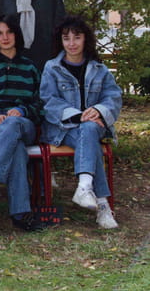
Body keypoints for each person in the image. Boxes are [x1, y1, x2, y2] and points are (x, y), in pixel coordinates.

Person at [40, 15, 121, 229]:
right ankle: (102, 204)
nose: (72, 43)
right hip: (63, 129)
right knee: (89, 136)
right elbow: (48, 101)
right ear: (61, 41)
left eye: (77, 37)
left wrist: (98, 110)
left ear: (86, 39)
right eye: (66, 38)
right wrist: (78, 115)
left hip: (94, 127)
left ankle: (84, 186)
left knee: (90, 129)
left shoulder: (99, 69)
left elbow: (113, 98)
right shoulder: (52, 68)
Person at [0, 14, 45, 232]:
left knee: (13, 125)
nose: (5, 37)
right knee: (17, 148)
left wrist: (22, 111)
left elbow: (40, 104)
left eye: (9, 32)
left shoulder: (30, 67)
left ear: (17, 34)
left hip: (24, 125)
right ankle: (20, 213)